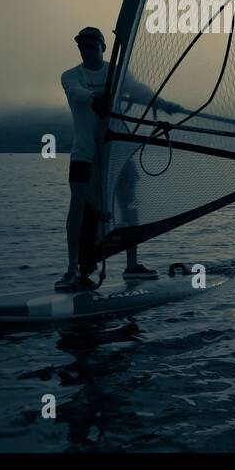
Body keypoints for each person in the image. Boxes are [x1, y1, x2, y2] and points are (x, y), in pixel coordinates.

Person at [58, 26, 180, 291]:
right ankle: (73, 270)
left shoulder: (117, 74)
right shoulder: (70, 76)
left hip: (118, 150)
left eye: (92, 45)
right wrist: (96, 96)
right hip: (84, 152)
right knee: (79, 207)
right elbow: (77, 93)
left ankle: (132, 265)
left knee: (129, 203)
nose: (87, 49)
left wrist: (162, 103)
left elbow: (139, 90)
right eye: (82, 45)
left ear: (102, 47)